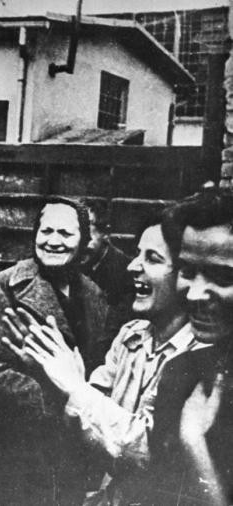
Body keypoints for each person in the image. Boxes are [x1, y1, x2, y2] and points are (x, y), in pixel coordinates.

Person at [4, 214, 205, 505]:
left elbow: (147, 453)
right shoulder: (130, 336)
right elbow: (87, 428)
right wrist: (52, 381)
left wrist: (74, 386)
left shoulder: (202, 355)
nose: (132, 266)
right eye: (137, 254)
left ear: (187, 276)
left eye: (152, 258)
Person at [0, 197, 109, 506]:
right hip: (7, 449)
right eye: (46, 231)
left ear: (83, 240)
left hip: (68, 451)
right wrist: (63, 404)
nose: (53, 241)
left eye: (65, 233)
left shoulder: (93, 294)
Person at [150, 188, 233, 505]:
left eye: (222, 277)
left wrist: (195, 446)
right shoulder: (181, 375)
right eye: (187, 271)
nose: (195, 294)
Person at [81, 200, 134, 336]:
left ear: (105, 232)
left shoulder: (127, 273)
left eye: (86, 237)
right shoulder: (70, 264)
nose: (78, 246)